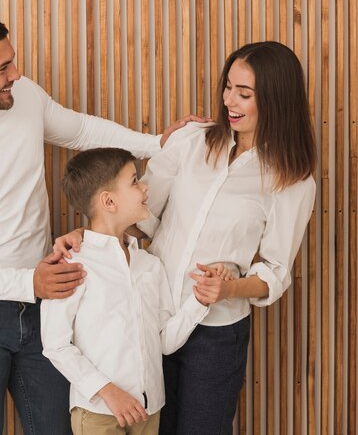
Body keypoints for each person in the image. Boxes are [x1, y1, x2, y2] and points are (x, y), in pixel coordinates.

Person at [0, 10, 204, 435]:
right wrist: (30, 283)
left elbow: (78, 130)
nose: (16, 74)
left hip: (48, 303)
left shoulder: (21, 96)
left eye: (13, 60)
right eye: (3, 67)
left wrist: (154, 143)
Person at [55, 41, 317, 434]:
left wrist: (227, 290)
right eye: (228, 87)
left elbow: (276, 271)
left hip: (216, 333)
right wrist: (84, 235)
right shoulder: (191, 141)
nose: (230, 100)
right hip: (150, 315)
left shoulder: (292, 180)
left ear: (277, 100)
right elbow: (138, 212)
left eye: (244, 94)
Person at [41, 148, 236, 435]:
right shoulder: (72, 264)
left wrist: (199, 300)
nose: (145, 187)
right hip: (99, 414)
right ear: (109, 201)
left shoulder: (150, 265)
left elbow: (165, 343)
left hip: (149, 410)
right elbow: (56, 345)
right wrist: (106, 390)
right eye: (134, 181)